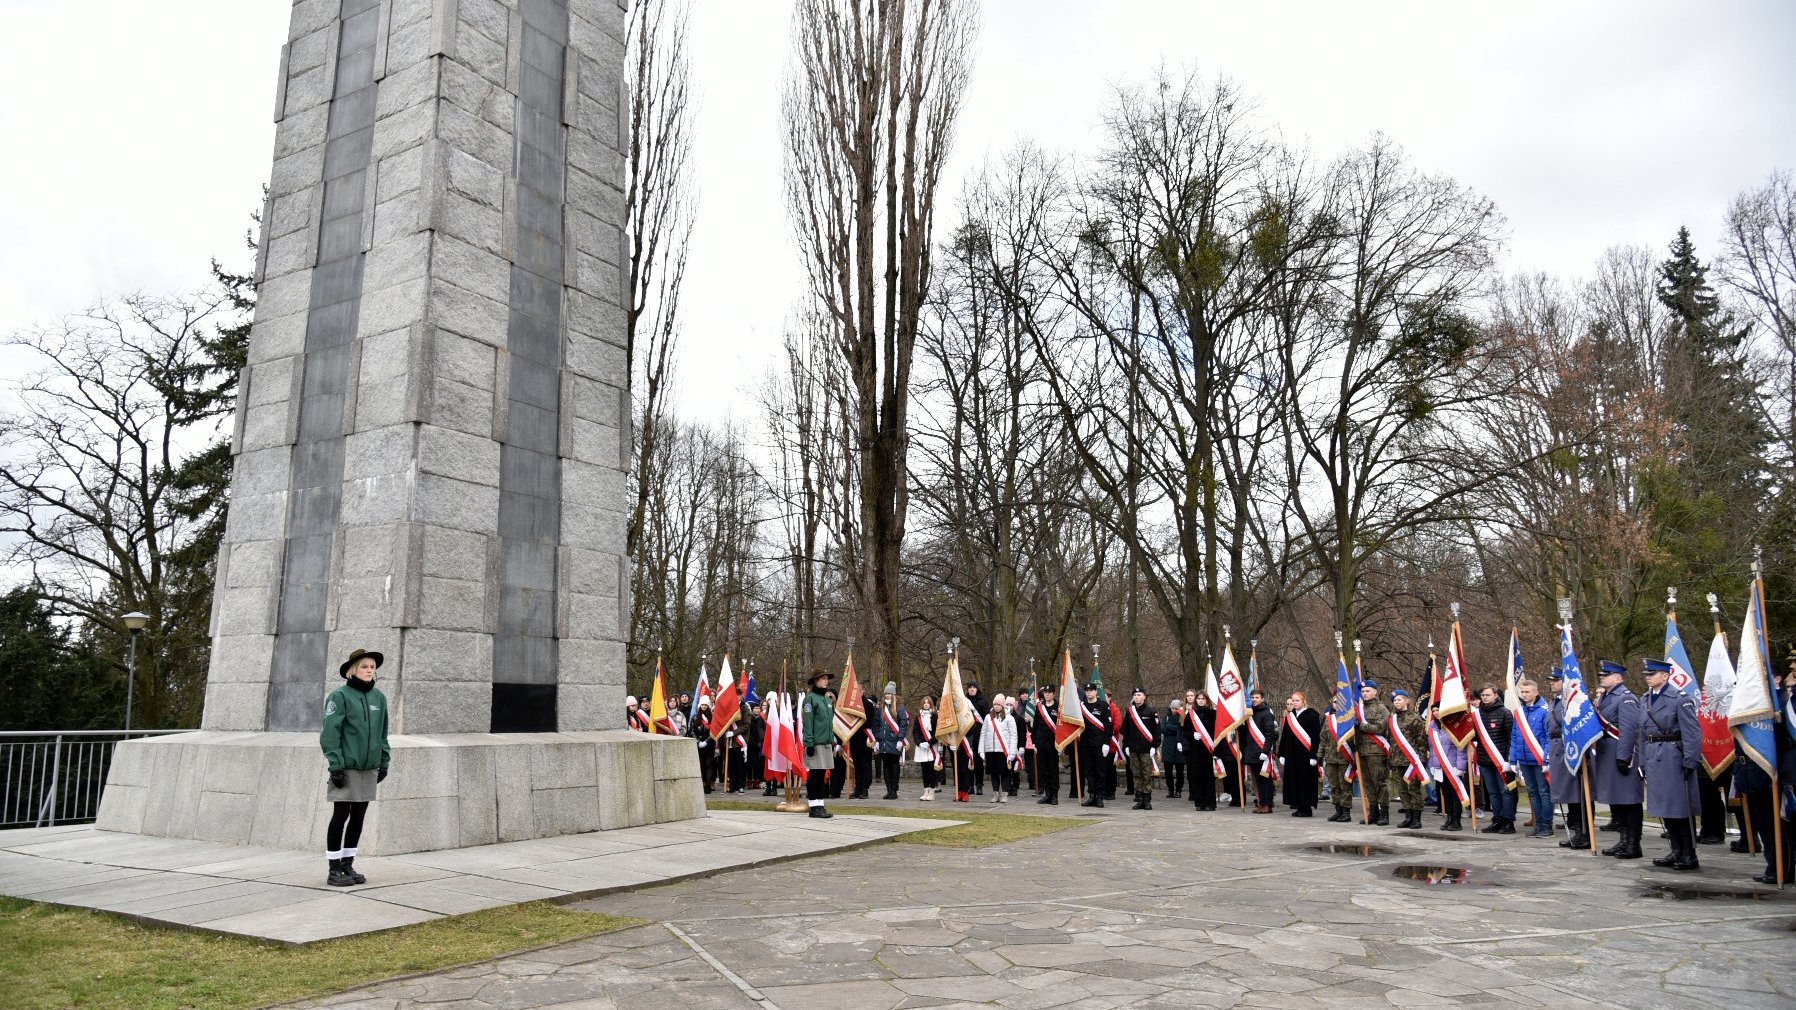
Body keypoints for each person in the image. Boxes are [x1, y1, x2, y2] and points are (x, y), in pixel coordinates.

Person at [321, 648, 390, 887]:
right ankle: (333, 869)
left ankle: (348, 864)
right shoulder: (340, 696)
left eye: (372, 667)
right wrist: (336, 765)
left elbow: (383, 733)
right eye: (364, 667)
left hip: (369, 767)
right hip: (346, 767)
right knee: (341, 815)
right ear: (353, 670)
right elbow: (331, 733)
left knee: (359, 816)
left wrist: (384, 761)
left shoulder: (379, 698)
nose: (369, 670)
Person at [1641, 657, 1702, 870]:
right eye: (1647, 675)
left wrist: (1690, 760)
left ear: (1665, 676)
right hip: (1653, 756)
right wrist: (1641, 761)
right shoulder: (1645, 699)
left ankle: (1688, 853)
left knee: (1680, 808)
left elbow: (1692, 733)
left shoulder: (1679, 698)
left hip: (1673, 757)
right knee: (1665, 808)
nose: (1648, 678)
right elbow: (1643, 733)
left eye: (1652, 674)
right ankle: (1675, 849)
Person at [1593, 660, 1644, 859]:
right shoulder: (1603, 699)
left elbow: (1629, 730)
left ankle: (1633, 844)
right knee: (1616, 800)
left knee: (1628, 800)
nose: (1601, 678)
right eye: (1601, 676)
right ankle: (1623, 840)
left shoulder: (1625, 698)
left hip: (1621, 754)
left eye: (1605, 676)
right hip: (1606, 754)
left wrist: (1623, 756)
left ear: (1617, 678)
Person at [1546, 668, 1591, 848]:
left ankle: (1585, 834)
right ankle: (1578, 832)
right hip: (1557, 749)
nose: (1551, 683)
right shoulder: (1555, 701)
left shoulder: (1574, 702)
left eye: (1555, 680)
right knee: (1569, 794)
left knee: (1578, 794)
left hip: (1571, 749)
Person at [1509, 678, 1552, 837]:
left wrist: (1546, 759)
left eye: (1528, 692)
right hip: (1524, 759)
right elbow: (1514, 737)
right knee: (1533, 793)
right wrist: (1513, 759)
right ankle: (1538, 823)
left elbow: (1548, 737)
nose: (1525, 695)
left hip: (1539, 759)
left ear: (1536, 692)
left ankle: (1547, 825)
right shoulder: (1519, 712)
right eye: (1523, 692)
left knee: (1544, 793)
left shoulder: (1544, 711)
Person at [1474, 685, 1518, 834]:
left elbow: (1511, 737)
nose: (1484, 697)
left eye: (1487, 695)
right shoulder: (1477, 714)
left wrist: (1509, 760)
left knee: (1505, 792)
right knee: (1493, 793)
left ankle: (1508, 821)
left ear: (1495, 696)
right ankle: (1497, 820)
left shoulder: (1505, 713)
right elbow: (1475, 736)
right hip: (1484, 759)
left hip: (1501, 761)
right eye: (1483, 695)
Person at [1386, 688, 1428, 830]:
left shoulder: (1415, 718)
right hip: (1396, 761)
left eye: (1399, 699)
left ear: (1407, 701)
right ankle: (1408, 816)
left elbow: (1421, 741)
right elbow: (1390, 740)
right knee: (1402, 790)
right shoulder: (1392, 719)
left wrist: (1421, 760)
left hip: (1412, 761)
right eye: (1394, 700)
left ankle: (1417, 818)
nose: (1396, 702)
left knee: (1413, 790)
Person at [1277, 690, 1322, 817]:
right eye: (1293, 701)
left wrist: (1314, 755)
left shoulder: (1312, 716)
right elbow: (1284, 736)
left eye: (1297, 701)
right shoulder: (1290, 717)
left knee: (1305, 781)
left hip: (1306, 755)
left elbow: (1315, 737)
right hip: (1292, 755)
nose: (1295, 703)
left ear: (1303, 701)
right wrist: (1282, 754)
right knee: (1294, 779)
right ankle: (1298, 805)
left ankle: (1306, 807)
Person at [800, 669, 836, 818]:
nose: (826, 681)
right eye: (822, 679)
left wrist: (832, 739)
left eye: (827, 678)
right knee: (814, 775)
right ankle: (813, 806)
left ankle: (820, 804)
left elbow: (829, 722)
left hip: (826, 742)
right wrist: (809, 743)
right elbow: (808, 723)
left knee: (821, 775)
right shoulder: (810, 699)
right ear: (815, 681)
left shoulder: (827, 700)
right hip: (815, 743)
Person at [1426, 704, 1468, 831]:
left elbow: (1461, 747)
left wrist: (1460, 766)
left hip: (1453, 765)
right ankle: (1449, 817)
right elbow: (1432, 748)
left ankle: (1456, 820)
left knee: (1455, 792)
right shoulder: (1432, 727)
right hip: (1439, 765)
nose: (1436, 713)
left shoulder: (1453, 726)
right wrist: (1432, 765)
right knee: (1445, 793)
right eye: (1433, 711)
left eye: (1438, 710)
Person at [1356, 680, 1391, 826]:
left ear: (1375, 691)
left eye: (1368, 691)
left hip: (1376, 750)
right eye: (1363, 692)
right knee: (1368, 783)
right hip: (1362, 750)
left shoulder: (1381, 708)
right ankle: (1373, 811)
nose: (1365, 694)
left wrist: (1362, 726)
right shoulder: (1360, 708)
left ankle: (1384, 813)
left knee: (1379, 782)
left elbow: (1381, 728)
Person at [1121, 687, 1161, 810]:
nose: (1137, 697)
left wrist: (1154, 746)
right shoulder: (1130, 712)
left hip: (1146, 749)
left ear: (1144, 697)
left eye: (1139, 695)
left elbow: (1156, 731)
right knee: (1136, 774)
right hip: (1133, 748)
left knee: (1146, 774)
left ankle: (1147, 800)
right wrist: (1126, 745)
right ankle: (1139, 799)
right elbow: (1125, 730)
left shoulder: (1151, 712)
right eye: (1135, 695)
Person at [871, 682, 909, 800]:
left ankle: (894, 790)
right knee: (886, 766)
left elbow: (903, 724)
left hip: (894, 741)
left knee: (894, 766)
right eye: (886, 693)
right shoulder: (880, 708)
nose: (887, 695)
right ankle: (888, 790)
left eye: (889, 693)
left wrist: (900, 739)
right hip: (883, 742)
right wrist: (877, 739)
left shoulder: (899, 707)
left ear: (893, 694)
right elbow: (876, 725)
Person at [1241, 690, 1277, 813]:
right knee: (1258, 780)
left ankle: (1267, 804)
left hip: (1262, 752)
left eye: (1257, 697)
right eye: (1252, 697)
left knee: (1265, 779)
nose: (1254, 699)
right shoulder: (1249, 713)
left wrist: (1265, 751)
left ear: (1262, 699)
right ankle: (1262, 803)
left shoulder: (1266, 713)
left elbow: (1270, 734)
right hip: (1252, 752)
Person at [1323, 690, 1356, 823]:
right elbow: (1323, 738)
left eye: (1339, 702)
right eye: (1334, 702)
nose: (1336, 704)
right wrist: (1320, 755)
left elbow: (1354, 738)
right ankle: (1338, 810)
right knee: (1334, 786)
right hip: (1331, 758)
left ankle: (1346, 812)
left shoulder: (1349, 719)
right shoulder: (1328, 720)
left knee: (1344, 786)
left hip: (1344, 758)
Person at [979, 693, 1018, 804]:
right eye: (995, 704)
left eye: (999, 704)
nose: (996, 706)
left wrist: (1012, 752)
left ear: (1002, 706)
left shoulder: (1009, 718)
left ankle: (1004, 794)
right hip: (991, 750)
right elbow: (983, 733)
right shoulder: (988, 717)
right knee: (994, 773)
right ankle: (995, 794)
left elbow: (1014, 735)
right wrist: (981, 750)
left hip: (1003, 751)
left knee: (1005, 773)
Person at [1078, 681, 1112, 808]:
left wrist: (1106, 743)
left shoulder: (1102, 706)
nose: (1088, 692)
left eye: (1091, 690)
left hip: (1099, 743)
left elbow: (1108, 726)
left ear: (1096, 692)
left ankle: (1099, 796)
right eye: (1087, 691)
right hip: (1085, 744)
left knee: (1100, 771)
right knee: (1089, 771)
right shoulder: (1081, 707)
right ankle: (1091, 795)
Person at [1188, 691, 1218, 811]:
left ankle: (1210, 803)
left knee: (1209, 777)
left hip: (1209, 749)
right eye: (1199, 698)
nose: (1201, 700)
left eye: (1203, 698)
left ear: (1207, 700)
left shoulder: (1213, 714)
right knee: (1198, 776)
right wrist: (1192, 734)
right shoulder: (1191, 715)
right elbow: (1185, 730)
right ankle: (1199, 802)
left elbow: (1218, 731)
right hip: (1196, 749)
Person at [1033, 684, 1062, 805]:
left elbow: (1061, 727)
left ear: (1054, 694)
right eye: (1045, 692)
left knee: (1053, 771)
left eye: (1049, 692)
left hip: (1053, 745)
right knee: (1043, 770)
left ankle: (1054, 795)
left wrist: (1061, 744)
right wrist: (1034, 741)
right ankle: (1047, 794)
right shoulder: (1039, 707)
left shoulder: (1058, 707)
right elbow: (1035, 726)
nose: (1047, 694)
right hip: (1041, 743)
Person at [912, 695, 940, 801]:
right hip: (922, 747)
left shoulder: (935, 716)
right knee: (924, 770)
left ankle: (932, 792)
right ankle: (926, 791)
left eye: (928, 703)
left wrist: (930, 743)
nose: (926, 704)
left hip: (932, 746)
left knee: (931, 769)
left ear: (931, 704)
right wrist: (919, 743)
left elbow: (937, 733)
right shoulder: (918, 717)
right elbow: (915, 732)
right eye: (925, 703)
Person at [964, 681, 990, 795]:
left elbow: (987, 719)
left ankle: (979, 785)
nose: (972, 689)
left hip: (980, 734)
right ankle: (970, 785)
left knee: (978, 761)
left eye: (974, 687)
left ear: (977, 689)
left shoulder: (983, 701)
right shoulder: (965, 702)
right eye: (970, 688)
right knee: (969, 759)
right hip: (968, 734)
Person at [689, 697, 716, 794]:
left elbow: (714, 731)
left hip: (709, 744)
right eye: (702, 705)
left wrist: (706, 741)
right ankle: (702, 784)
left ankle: (708, 785)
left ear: (708, 706)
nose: (704, 706)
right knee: (701, 765)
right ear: (699, 705)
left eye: (705, 705)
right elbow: (691, 730)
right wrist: (698, 741)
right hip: (699, 744)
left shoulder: (712, 717)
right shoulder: (695, 717)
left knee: (709, 765)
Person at [1162, 698, 1187, 799]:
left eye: (1176, 708)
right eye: (1172, 708)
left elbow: (1181, 728)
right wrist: (1174, 728)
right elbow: (1163, 728)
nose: (1174, 710)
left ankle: (1178, 790)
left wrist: (1170, 727)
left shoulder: (1182, 716)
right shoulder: (1166, 716)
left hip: (1178, 746)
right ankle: (1170, 790)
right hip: (1167, 746)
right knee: (1168, 770)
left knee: (1179, 771)